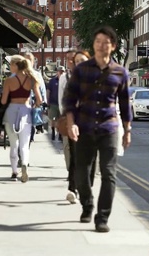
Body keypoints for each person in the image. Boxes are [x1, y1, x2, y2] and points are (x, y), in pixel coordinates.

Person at [63, 26, 132, 233]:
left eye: (106, 42)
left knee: (109, 173)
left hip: (109, 127)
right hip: (83, 126)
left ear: (113, 46)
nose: (102, 45)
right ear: (93, 45)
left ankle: (102, 218)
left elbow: (125, 104)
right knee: (82, 172)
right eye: (98, 41)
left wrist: (127, 130)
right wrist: (70, 123)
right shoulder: (81, 70)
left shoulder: (121, 72)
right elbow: (69, 99)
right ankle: (87, 203)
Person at [1, 55, 43, 183]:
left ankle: (14, 171)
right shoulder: (31, 79)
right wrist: (34, 106)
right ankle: (24, 163)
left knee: (13, 144)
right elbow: (40, 100)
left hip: (11, 111)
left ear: (16, 65)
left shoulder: (9, 80)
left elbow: (3, 100)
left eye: (11, 64)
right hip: (26, 111)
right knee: (24, 144)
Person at [59, 50, 91, 204]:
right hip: (74, 122)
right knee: (74, 157)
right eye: (76, 61)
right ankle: (72, 189)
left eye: (82, 61)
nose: (79, 64)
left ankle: (86, 188)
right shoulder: (69, 79)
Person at [23, 52, 46, 141]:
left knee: (31, 122)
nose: (28, 62)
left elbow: (42, 89)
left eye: (30, 60)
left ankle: (30, 138)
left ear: (33, 62)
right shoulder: (20, 74)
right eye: (26, 60)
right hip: (22, 103)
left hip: (33, 102)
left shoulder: (37, 74)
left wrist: (42, 102)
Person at [47, 66, 66, 141]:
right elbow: (48, 91)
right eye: (59, 71)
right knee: (52, 118)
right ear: (57, 72)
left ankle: (60, 134)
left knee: (60, 119)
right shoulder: (52, 81)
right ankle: (53, 132)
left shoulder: (65, 80)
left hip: (62, 103)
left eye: (62, 71)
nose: (61, 73)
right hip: (53, 103)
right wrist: (47, 101)